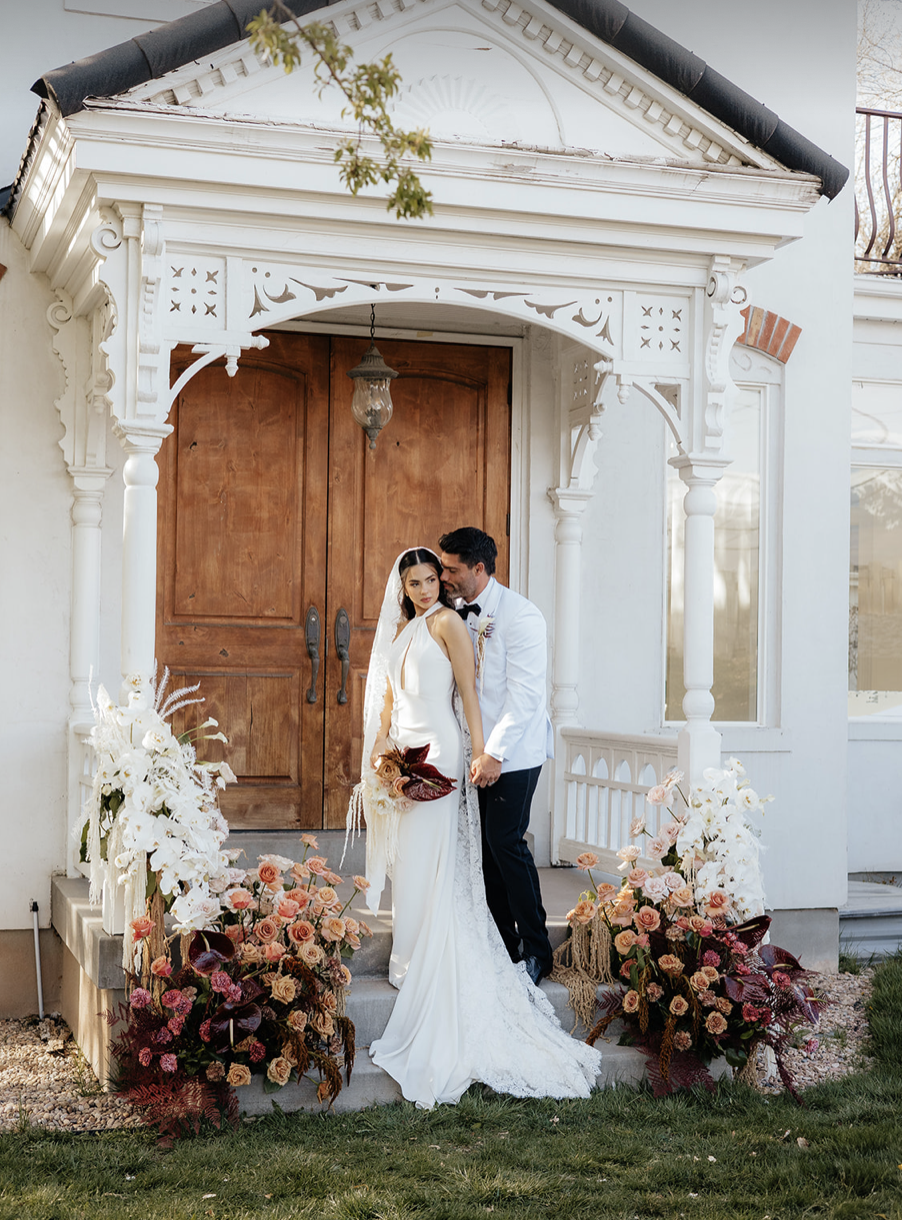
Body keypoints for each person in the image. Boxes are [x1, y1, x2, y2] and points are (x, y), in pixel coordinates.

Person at [349, 546, 600, 1109]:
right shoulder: (404, 632)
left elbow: (467, 694)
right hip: (405, 751)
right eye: (414, 582)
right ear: (402, 587)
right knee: (412, 856)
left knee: (446, 853)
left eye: (433, 578)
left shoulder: (450, 626)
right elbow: (388, 697)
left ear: (447, 578)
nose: (425, 589)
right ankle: (408, 954)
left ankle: (455, 954)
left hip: (442, 749)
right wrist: (384, 753)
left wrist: (481, 753)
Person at [438, 527, 555, 986]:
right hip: (472, 754)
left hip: (515, 754)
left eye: (452, 569)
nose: (444, 576)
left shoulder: (522, 617)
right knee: (483, 852)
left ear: (480, 569)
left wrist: (494, 754)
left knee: (506, 844)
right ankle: (503, 945)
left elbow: (525, 698)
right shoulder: (450, 611)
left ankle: (537, 950)